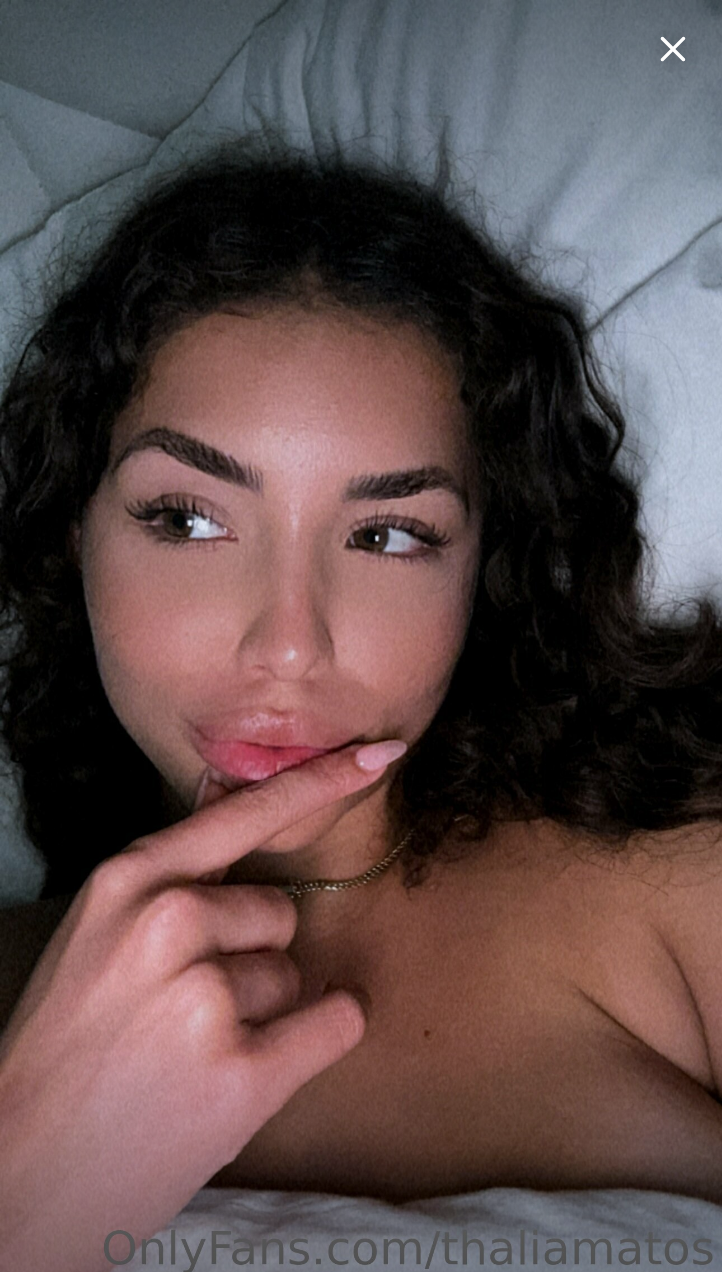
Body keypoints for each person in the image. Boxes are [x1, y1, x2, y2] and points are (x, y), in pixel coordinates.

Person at [1, 144, 722, 1270]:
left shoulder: (677, 886)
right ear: (71, 531)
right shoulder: (14, 998)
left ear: (484, 568)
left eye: (388, 535)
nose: (289, 646)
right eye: (188, 520)